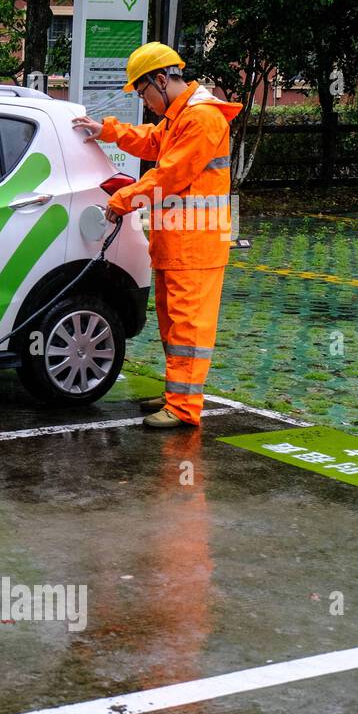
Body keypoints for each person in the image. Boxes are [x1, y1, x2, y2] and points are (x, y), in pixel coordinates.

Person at [71, 42, 241, 430]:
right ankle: (176, 394)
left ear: (162, 80)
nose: (145, 101)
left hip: (196, 245)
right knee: (172, 323)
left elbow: (170, 175)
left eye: (144, 92)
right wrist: (107, 131)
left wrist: (123, 198)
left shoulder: (201, 118)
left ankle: (184, 408)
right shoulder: (182, 116)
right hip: (178, 241)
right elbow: (152, 141)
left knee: (187, 327)